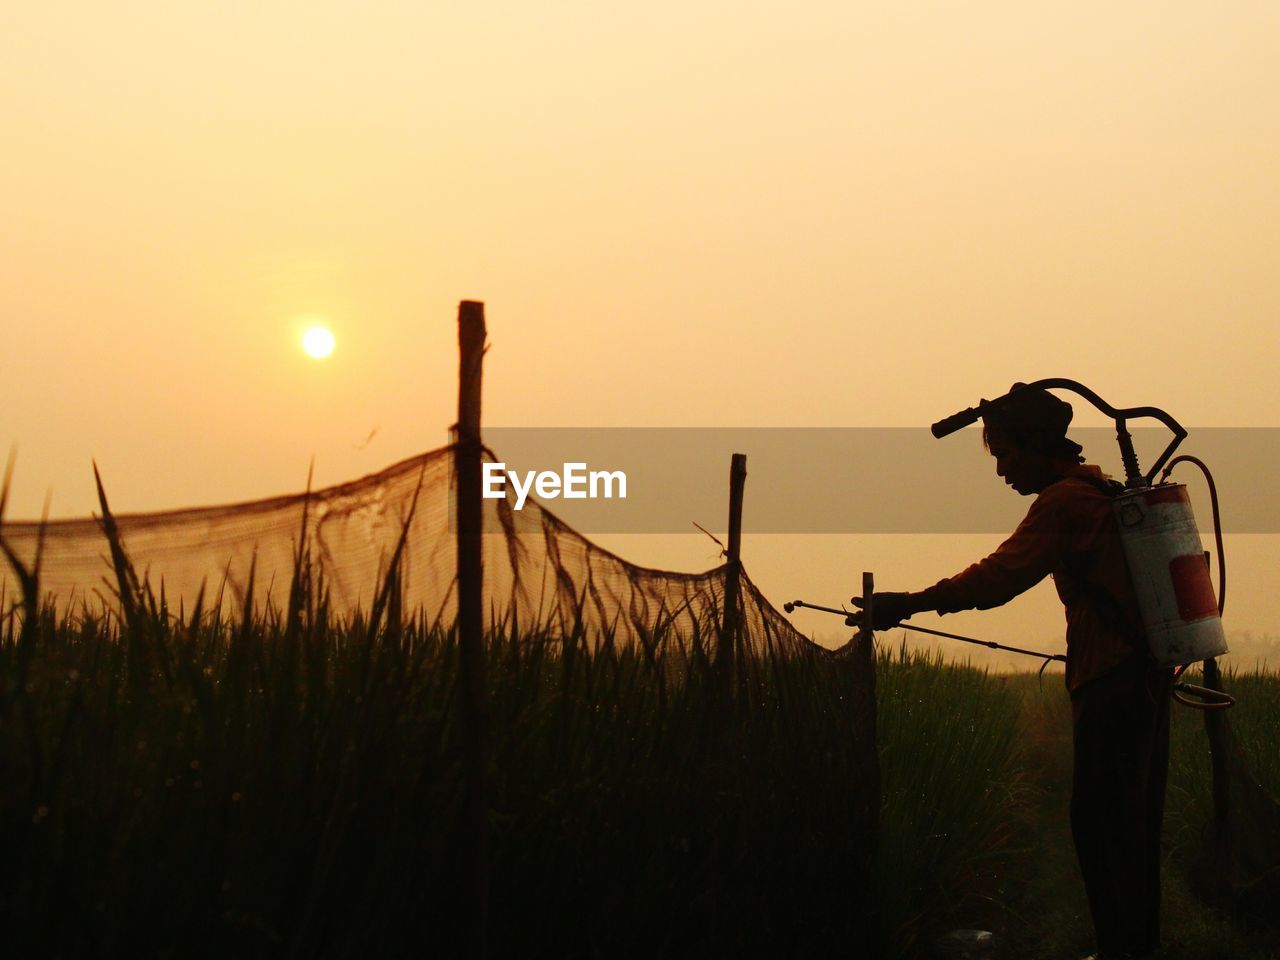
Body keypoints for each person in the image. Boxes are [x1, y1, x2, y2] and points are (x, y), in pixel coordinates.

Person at [856, 383, 1173, 960]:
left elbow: (1000, 577)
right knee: (1129, 822)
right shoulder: (1096, 489)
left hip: (1113, 679)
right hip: (1140, 677)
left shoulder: (1063, 503)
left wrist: (909, 603)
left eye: (1003, 453)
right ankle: (1134, 945)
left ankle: (1124, 950)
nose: (1001, 469)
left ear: (1033, 444)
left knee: (1103, 825)